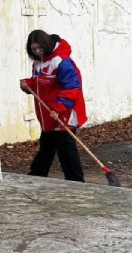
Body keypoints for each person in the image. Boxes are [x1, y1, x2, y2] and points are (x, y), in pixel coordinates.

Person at [19, 30, 87, 182]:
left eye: (39, 48)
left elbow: (72, 88)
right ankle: (37, 176)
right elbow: (42, 84)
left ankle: (76, 182)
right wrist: (28, 84)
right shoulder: (38, 62)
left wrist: (59, 108)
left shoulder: (61, 61)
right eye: (33, 49)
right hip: (48, 116)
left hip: (64, 115)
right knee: (46, 148)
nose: (37, 51)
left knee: (66, 151)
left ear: (46, 44)